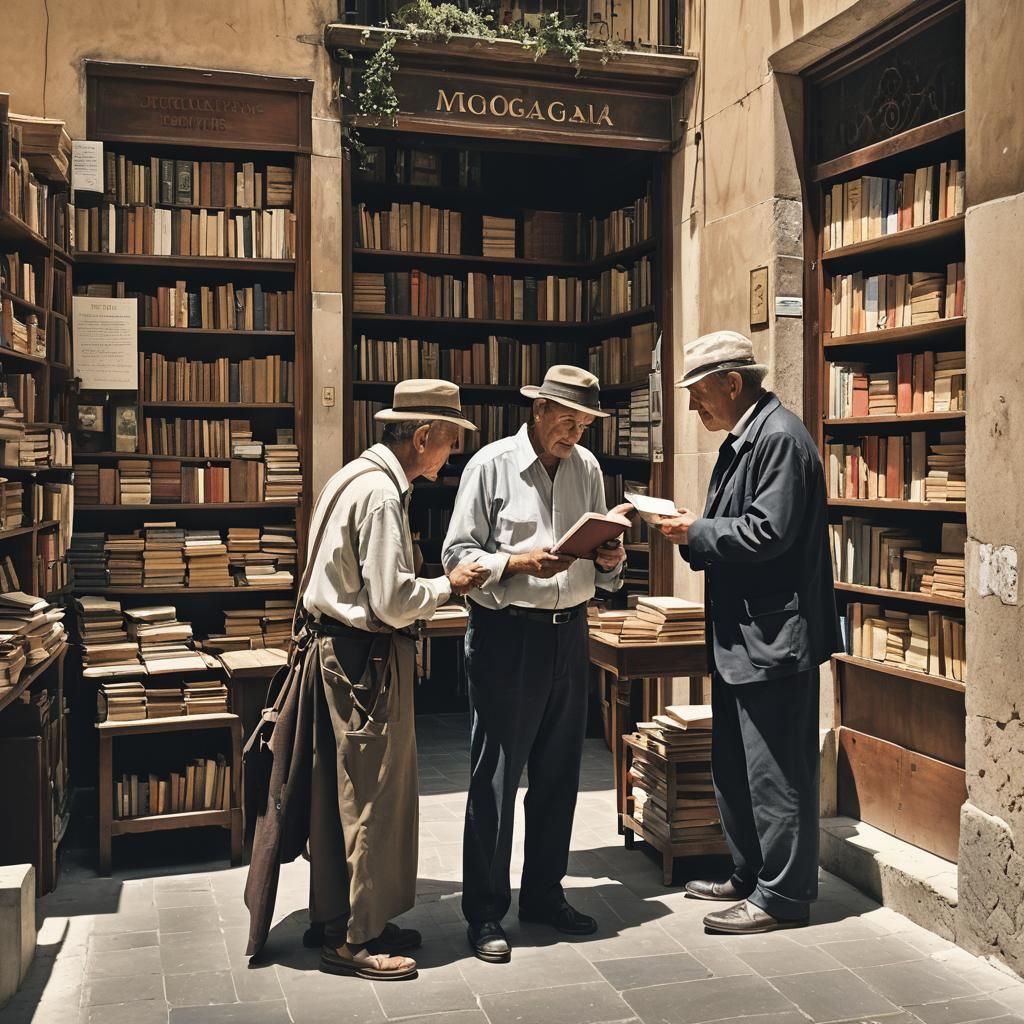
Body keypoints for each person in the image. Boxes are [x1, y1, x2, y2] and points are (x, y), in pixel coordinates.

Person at [300, 379, 489, 979]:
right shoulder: (383, 494)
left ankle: (346, 917)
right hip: (367, 662)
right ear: (423, 436)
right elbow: (392, 601)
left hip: (341, 653)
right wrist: (449, 585)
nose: (451, 456)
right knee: (373, 797)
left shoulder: (351, 476)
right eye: (450, 442)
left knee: (345, 793)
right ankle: (354, 941)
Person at [655, 330, 841, 935]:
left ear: (734, 384)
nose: (692, 405)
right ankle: (751, 873)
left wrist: (695, 531)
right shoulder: (747, 437)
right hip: (744, 638)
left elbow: (768, 531)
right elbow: (738, 527)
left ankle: (782, 895)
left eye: (698, 392)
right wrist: (695, 532)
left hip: (773, 640)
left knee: (775, 771)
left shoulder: (779, 438)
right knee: (736, 767)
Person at [442, 364, 630, 963]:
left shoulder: (588, 467)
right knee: (496, 778)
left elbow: (602, 553)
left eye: (585, 424)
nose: (574, 433)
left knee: (558, 775)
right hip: (507, 635)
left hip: (569, 633)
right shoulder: (490, 465)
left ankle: (545, 895)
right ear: (539, 409)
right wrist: (518, 564)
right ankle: (485, 912)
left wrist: (610, 560)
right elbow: (456, 555)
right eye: (566, 420)